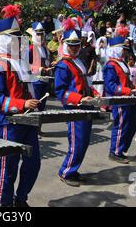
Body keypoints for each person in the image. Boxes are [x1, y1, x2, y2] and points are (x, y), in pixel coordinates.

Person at [0, 4, 41, 207]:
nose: (19, 41)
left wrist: (34, 104)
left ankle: (21, 199)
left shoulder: (20, 62)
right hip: (10, 123)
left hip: (27, 121)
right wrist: (22, 103)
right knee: (8, 167)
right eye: (15, 37)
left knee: (33, 163)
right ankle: (4, 204)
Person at [54, 18, 99, 187]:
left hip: (86, 105)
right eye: (71, 45)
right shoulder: (62, 65)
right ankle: (66, 171)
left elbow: (85, 83)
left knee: (84, 141)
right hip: (74, 108)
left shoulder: (79, 61)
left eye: (77, 45)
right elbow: (60, 91)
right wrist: (79, 98)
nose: (74, 48)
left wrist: (93, 93)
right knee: (77, 140)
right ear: (65, 44)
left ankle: (73, 169)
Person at [103, 26, 136, 164]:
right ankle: (115, 152)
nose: (125, 51)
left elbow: (127, 82)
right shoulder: (111, 65)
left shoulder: (122, 63)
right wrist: (128, 91)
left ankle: (121, 150)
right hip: (120, 100)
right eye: (122, 49)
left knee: (131, 126)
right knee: (121, 126)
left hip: (129, 99)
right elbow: (110, 86)